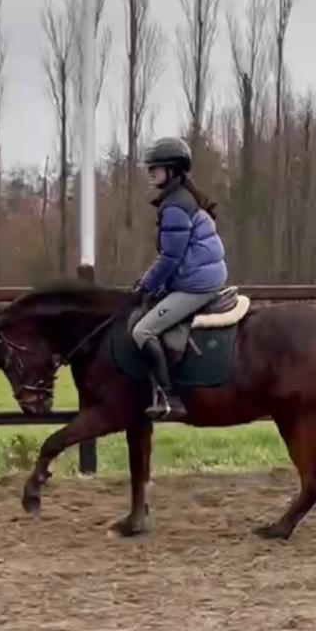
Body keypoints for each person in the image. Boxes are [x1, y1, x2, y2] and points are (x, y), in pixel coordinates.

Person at [132, 136, 228, 421]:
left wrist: (146, 285)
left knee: (142, 331)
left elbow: (170, 258)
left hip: (196, 284)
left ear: (172, 170)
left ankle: (170, 398)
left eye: (155, 167)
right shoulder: (182, 198)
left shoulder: (175, 205)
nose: (150, 171)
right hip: (197, 276)